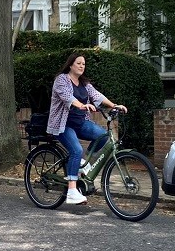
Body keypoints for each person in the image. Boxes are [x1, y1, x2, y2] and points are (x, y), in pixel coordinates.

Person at [46, 52, 126, 205]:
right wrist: (82, 105)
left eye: (83, 64)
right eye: (79, 63)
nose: (82, 66)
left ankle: (84, 162)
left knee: (104, 136)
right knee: (75, 150)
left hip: (80, 123)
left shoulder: (84, 83)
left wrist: (114, 105)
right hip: (63, 125)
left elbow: (97, 96)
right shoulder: (61, 80)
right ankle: (71, 191)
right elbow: (68, 97)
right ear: (70, 65)